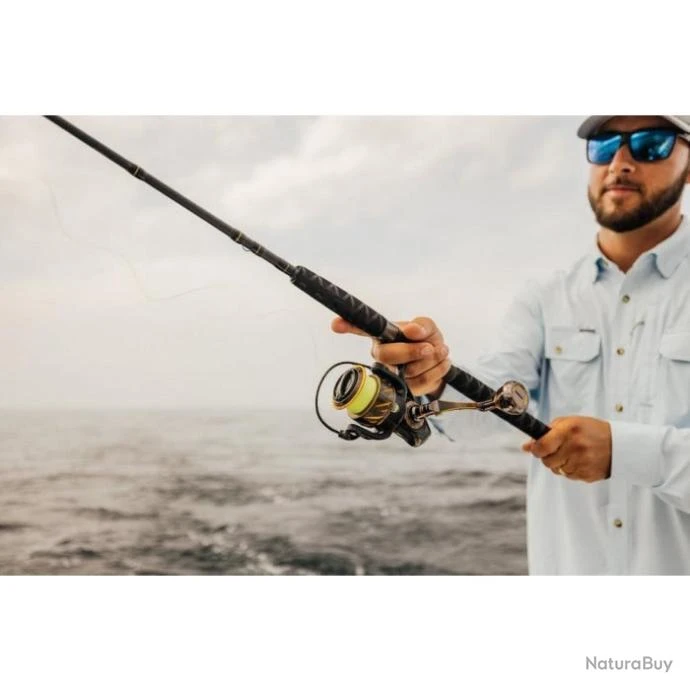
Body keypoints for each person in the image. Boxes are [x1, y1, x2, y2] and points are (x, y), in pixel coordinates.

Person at [331, 115, 690, 575]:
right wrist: (433, 376)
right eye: (603, 145)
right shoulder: (544, 296)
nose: (619, 161)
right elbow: (492, 400)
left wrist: (628, 452)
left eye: (650, 143)